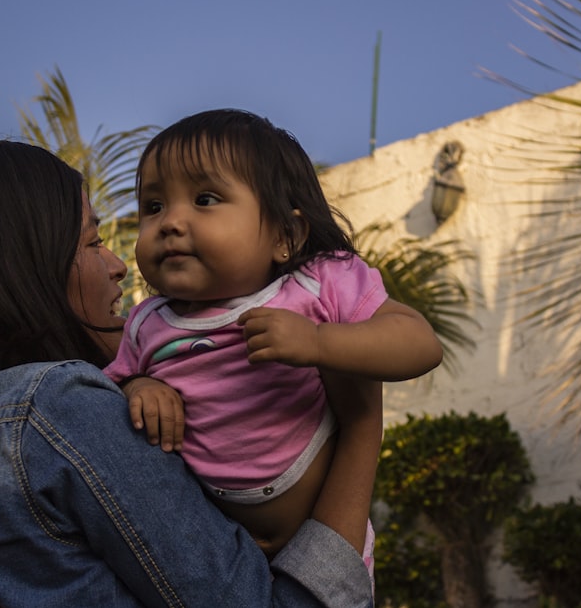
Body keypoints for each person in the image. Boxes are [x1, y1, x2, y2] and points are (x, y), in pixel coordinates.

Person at [0, 140, 375, 608]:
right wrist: (361, 424)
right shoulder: (59, 411)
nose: (119, 264)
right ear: (25, 271)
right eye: (92, 242)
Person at [104, 109, 444, 573]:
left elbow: (420, 343)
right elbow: (112, 387)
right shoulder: (148, 322)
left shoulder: (317, 285)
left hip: (321, 542)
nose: (170, 222)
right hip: (213, 551)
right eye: (154, 206)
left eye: (205, 198)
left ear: (286, 235)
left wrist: (321, 343)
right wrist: (139, 388)